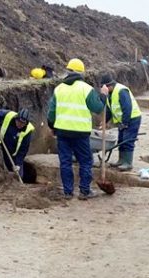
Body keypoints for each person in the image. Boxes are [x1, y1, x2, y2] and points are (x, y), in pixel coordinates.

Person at [46, 58, 105, 200]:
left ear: (68, 71)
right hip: (80, 133)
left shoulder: (59, 89)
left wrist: (52, 127)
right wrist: (103, 95)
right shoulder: (86, 89)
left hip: (62, 132)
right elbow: (98, 108)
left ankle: (68, 192)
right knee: (85, 161)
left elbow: (51, 112)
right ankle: (84, 191)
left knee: (65, 162)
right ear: (81, 73)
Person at [100, 74, 142, 172]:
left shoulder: (121, 91)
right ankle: (121, 160)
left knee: (127, 140)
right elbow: (109, 110)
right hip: (123, 120)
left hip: (132, 119)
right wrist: (105, 122)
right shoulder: (109, 94)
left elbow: (127, 107)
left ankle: (128, 163)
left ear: (108, 86)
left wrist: (125, 122)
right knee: (121, 140)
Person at [0, 108, 34, 178]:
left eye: (22, 123)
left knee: (18, 175)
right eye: (18, 121)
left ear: (26, 123)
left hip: (13, 155)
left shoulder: (28, 131)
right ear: (16, 118)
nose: (20, 124)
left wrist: (18, 164)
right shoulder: (9, 116)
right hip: (1, 148)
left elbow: (23, 149)